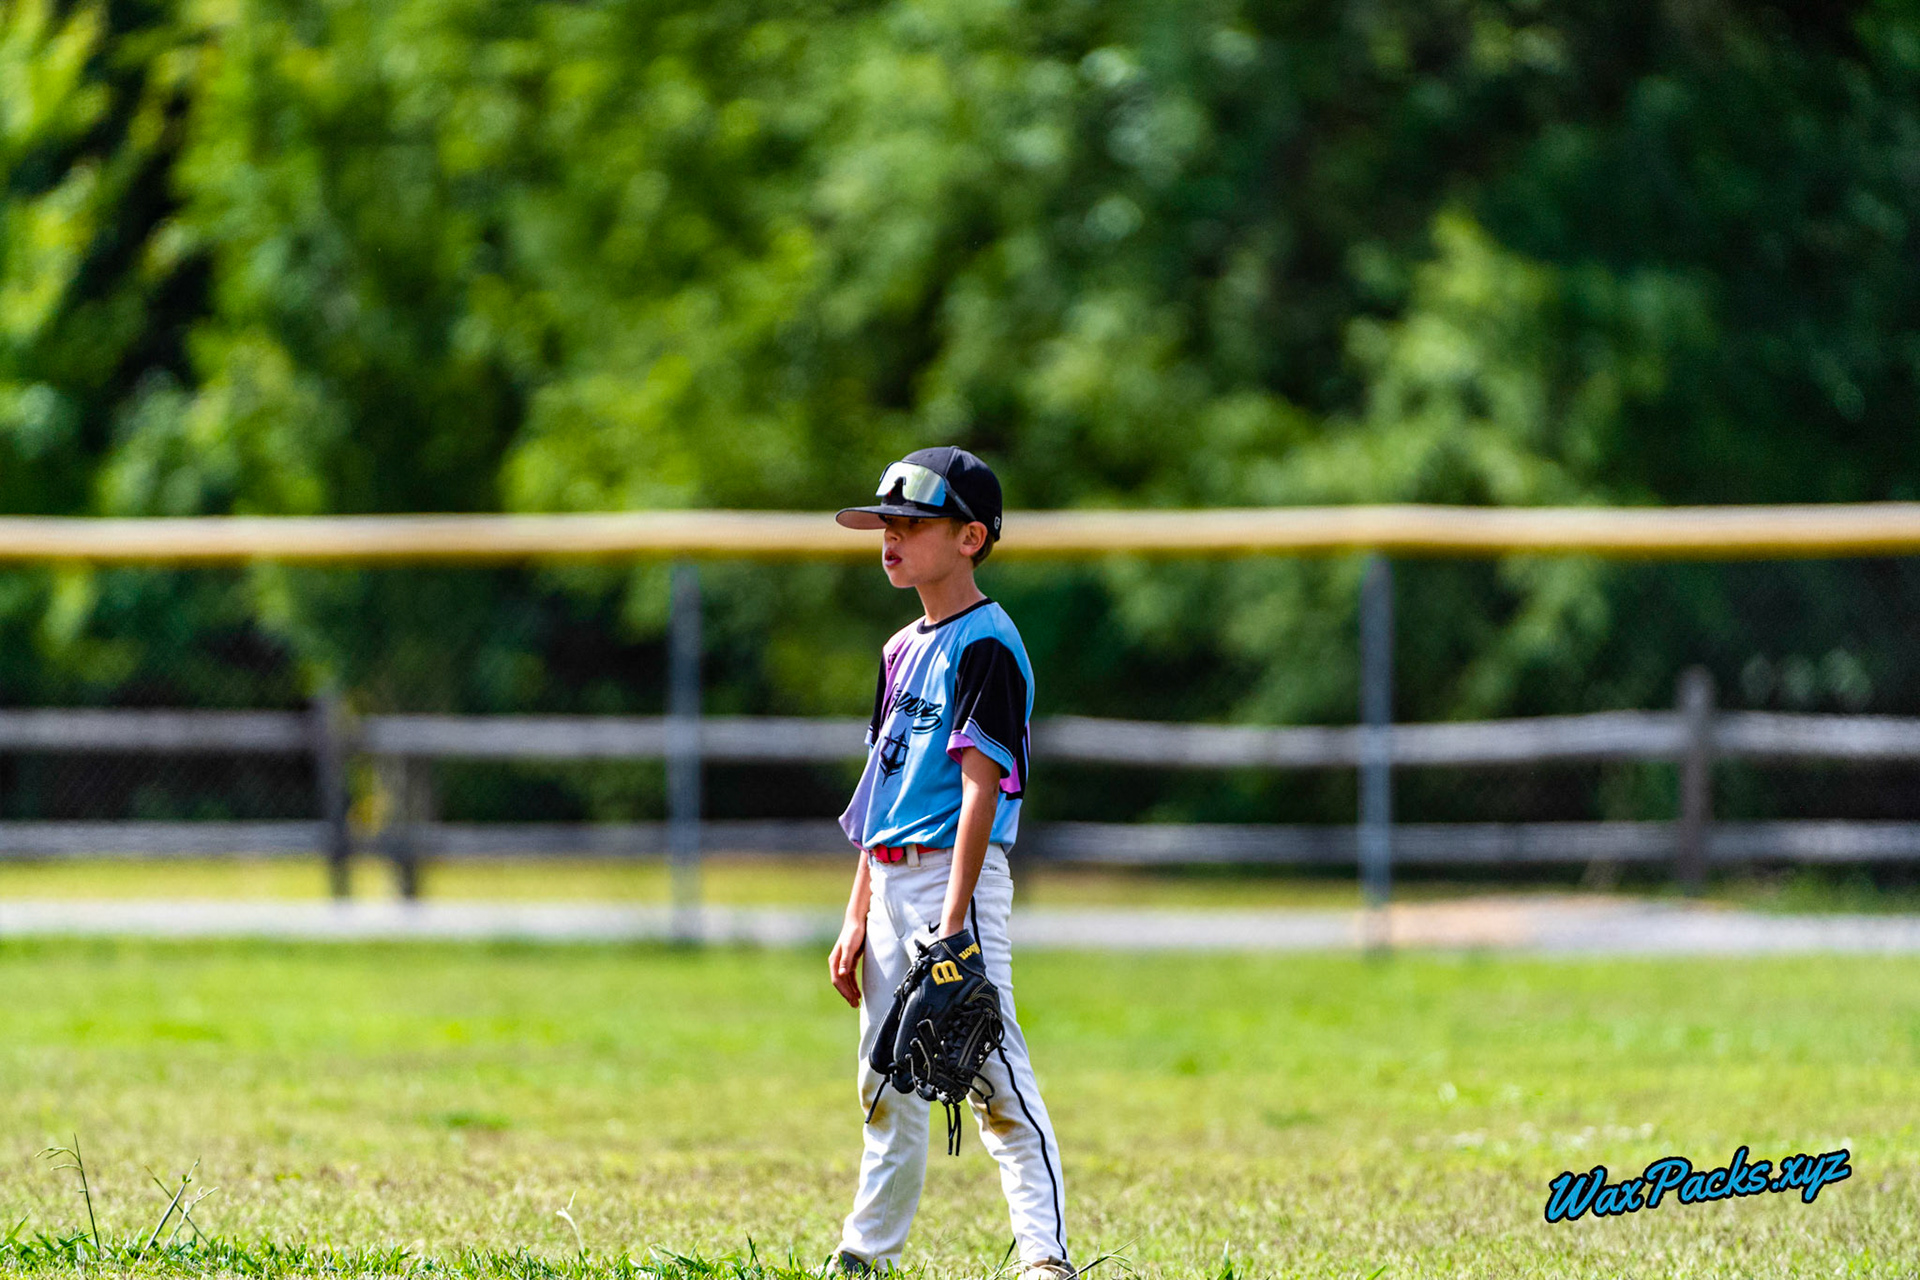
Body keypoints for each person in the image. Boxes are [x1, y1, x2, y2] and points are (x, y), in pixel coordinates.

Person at [826, 446, 1073, 1280]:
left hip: (950, 881)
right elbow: (880, 784)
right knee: (883, 1081)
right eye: (883, 524)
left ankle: (1044, 1258)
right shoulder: (899, 649)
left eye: (911, 524)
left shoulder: (989, 645)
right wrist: (858, 911)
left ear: (971, 537)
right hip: (889, 877)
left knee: (995, 1080)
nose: (889, 538)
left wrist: (955, 918)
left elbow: (979, 789)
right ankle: (867, 1252)